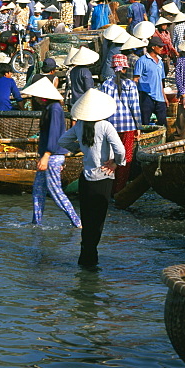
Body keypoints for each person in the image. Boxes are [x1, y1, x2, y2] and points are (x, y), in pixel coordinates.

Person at [56, 89, 126, 269]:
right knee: (98, 221)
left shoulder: (79, 126)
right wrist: (116, 164)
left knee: (87, 221)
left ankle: (85, 256)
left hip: (86, 179)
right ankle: (91, 258)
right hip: (103, 178)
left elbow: (63, 141)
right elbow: (121, 150)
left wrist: (80, 149)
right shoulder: (105, 126)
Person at [26, 77, 81, 228]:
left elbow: (54, 134)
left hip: (52, 156)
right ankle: (36, 222)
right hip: (50, 155)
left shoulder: (55, 109)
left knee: (55, 191)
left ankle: (77, 221)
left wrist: (46, 155)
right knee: (38, 190)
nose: (35, 99)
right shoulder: (49, 108)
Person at [98, 54, 141, 193]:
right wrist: (138, 127)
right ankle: (119, 189)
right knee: (125, 158)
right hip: (128, 126)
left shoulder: (105, 84)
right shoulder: (131, 85)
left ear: (112, 68)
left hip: (110, 125)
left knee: (110, 157)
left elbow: (103, 107)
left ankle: (108, 187)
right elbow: (135, 108)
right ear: (124, 69)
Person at [133, 35, 167, 126]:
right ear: (153, 47)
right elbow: (136, 79)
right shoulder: (142, 61)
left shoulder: (160, 62)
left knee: (162, 122)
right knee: (145, 122)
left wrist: (165, 97)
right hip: (146, 96)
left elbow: (160, 81)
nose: (161, 48)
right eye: (159, 46)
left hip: (159, 97)